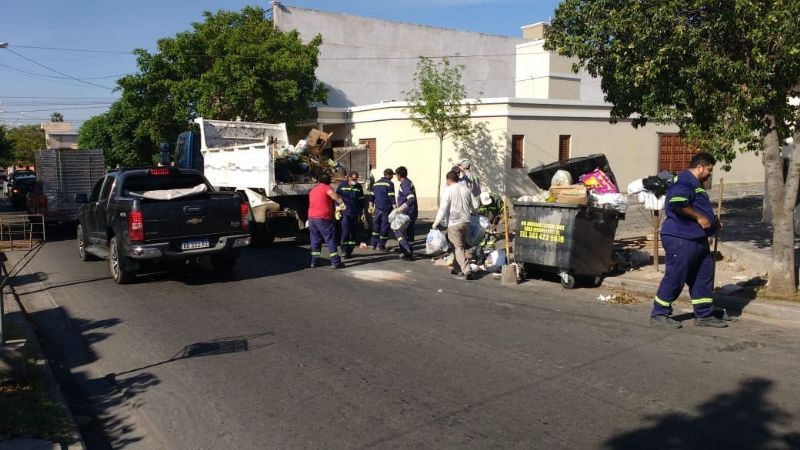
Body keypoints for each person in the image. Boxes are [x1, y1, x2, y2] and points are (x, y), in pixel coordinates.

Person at [651, 152, 727, 328]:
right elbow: (678, 203)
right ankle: (659, 313)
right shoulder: (685, 180)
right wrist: (700, 217)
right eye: (709, 170)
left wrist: (713, 222)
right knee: (676, 275)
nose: (709, 174)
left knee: (703, 276)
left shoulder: (696, 184)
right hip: (681, 237)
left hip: (697, 238)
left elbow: (695, 205)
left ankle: (704, 314)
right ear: (700, 167)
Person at [433, 170, 479, 280]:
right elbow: (476, 205)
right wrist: (474, 213)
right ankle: (457, 268)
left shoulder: (448, 190)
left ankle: (467, 270)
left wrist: (436, 222)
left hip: (454, 222)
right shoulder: (467, 189)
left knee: (458, 247)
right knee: (459, 246)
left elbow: (443, 208)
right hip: (466, 222)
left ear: (448, 180)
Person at [307, 172, 344, 269]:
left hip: (312, 217)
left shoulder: (313, 189)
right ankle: (335, 262)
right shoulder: (326, 187)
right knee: (330, 239)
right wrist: (341, 202)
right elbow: (333, 195)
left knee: (315, 239)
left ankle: (314, 262)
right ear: (328, 181)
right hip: (323, 217)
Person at [336, 171, 365, 258]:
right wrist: (337, 209)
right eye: (353, 179)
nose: (355, 181)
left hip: (355, 213)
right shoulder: (342, 185)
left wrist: (362, 213)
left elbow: (361, 200)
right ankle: (344, 250)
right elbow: (336, 197)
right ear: (348, 178)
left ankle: (349, 250)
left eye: (356, 179)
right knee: (345, 231)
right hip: (345, 213)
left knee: (353, 233)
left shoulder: (358, 187)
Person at [393, 166, 418, 261]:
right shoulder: (409, 182)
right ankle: (409, 254)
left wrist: (402, 208)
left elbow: (411, 198)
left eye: (396, 175)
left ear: (399, 175)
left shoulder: (405, 184)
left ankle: (406, 250)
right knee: (410, 233)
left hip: (406, 213)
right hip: (412, 212)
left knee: (397, 230)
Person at [370, 168, 396, 251]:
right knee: (384, 227)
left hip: (377, 208)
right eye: (392, 175)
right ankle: (380, 245)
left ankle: (373, 244)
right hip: (386, 209)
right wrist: (396, 209)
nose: (392, 177)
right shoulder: (389, 184)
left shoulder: (375, 183)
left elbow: (372, 196)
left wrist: (370, 206)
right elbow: (391, 197)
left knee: (376, 226)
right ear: (389, 175)